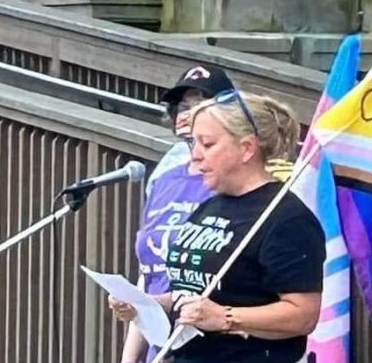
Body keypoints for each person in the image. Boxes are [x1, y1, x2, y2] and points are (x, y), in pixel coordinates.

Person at [111, 90, 325, 363]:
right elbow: (192, 293)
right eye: (193, 144)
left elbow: (303, 314)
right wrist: (146, 304)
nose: (196, 156)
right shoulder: (209, 206)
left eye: (208, 144)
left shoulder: (285, 217)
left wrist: (226, 317)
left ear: (247, 148)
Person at [120, 65, 238, 363]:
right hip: (160, 348)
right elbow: (148, 276)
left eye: (200, 105)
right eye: (182, 106)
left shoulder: (230, 183)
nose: (188, 115)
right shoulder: (164, 179)